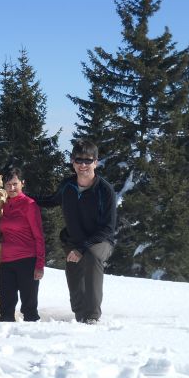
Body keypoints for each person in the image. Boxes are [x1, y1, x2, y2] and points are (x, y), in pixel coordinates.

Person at [33, 139, 117, 324]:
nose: (83, 165)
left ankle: (92, 316)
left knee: (92, 257)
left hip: (100, 241)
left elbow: (108, 228)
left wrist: (83, 248)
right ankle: (80, 314)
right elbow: (50, 200)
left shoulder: (105, 190)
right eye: (79, 160)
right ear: (73, 161)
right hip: (74, 240)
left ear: (96, 162)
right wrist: (21, 196)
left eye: (88, 161)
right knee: (73, 273)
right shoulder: (68, 186)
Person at [0, 168, 45, 322]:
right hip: (5, 262)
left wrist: (40, 265)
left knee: (29, 308)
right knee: (6, 307)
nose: (11, 188)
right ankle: (4, 344)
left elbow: (39, 237)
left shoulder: (29, 205)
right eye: (8, 184)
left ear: (23, 183)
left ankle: (32, 341)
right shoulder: (3, 205)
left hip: (27, 261)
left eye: (15, 184)